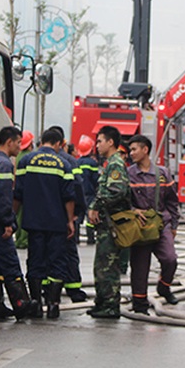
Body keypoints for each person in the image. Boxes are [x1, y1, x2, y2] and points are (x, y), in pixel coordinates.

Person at [14, 128, 76, 319]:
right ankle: (53, 305)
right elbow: (69, 196)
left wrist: (11, 217)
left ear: (41, 141)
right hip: (57, 223)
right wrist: (70, 220)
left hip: (33, 222)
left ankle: (36, 304)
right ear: (58, 144)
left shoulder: (26, 161)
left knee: (35, 261)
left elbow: (18, 193)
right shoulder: (63, 164)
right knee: (57, 262)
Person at [0, 126, 35, 319]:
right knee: (9, 262)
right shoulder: (4, 165)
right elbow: (3, 198)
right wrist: (8, 222)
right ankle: (21, 304)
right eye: (18, 143)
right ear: (9, 142)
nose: (20, 146)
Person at [125, 135, 181, 313]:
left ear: (145, 150)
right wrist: (133, 210)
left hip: (161, 223)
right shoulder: (128, 174)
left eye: (134, 149)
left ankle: (164, 287)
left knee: (170, 259)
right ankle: (139, 303)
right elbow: (123, 200)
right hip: (140, 226)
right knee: (140, 267)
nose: (131, 153)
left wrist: (174, 225)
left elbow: (172, 201)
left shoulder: (163, 173)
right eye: (130, 150)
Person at [86, 126, 131, 319]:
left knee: (108, 266)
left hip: (112, 223)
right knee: (101, 265)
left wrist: (96, 206)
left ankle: (110, 305)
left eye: (100, 141)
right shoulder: (110, 163)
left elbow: (116, 191)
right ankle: (102, 303)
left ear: (110, 142)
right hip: (106, 224)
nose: (97, 145)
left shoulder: (115, 164)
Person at [49, 125, 87, 303]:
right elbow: (78, 188)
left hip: (46, 216)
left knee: (47, 253)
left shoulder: (36, 159)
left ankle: (47, 291)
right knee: (69, 252)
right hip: (66, 215)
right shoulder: (70, 161)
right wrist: (78, 213)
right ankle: (73, 290)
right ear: (62, 143)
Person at [76, 135, 100, 246]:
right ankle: (91, 238)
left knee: (78, 216)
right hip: (90, 193)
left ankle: (75, 238)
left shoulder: (76, 162)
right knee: (90, 215)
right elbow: (95, 179)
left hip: (79, 193)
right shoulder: (92, 163)